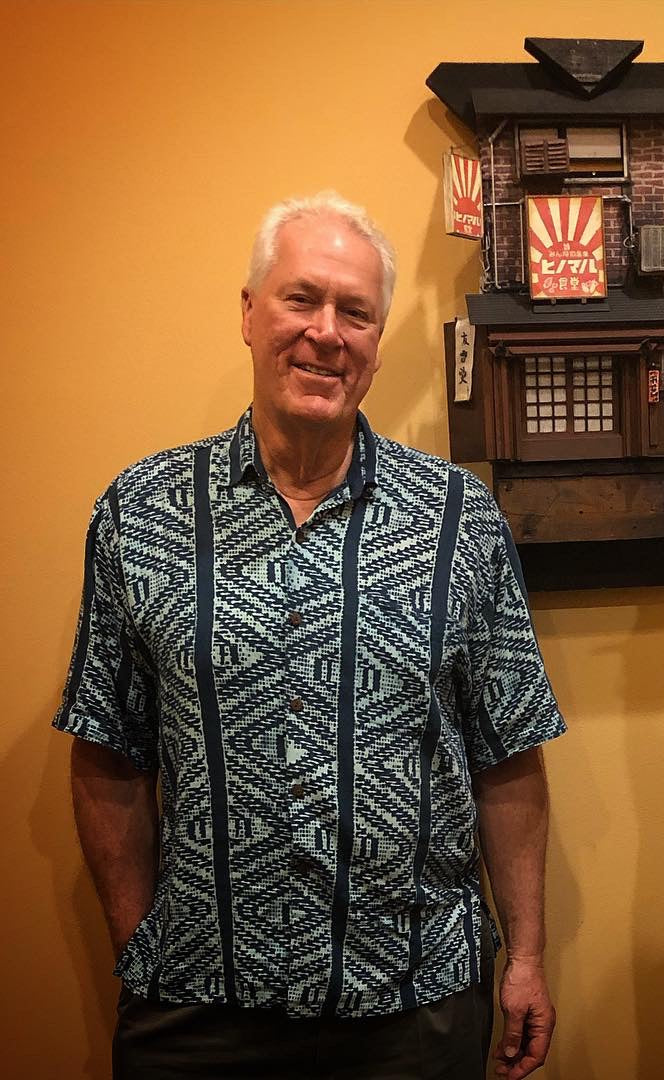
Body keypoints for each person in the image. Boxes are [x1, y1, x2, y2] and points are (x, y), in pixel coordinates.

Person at [54, 191, 565, 1080]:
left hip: (417, 1010)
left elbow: (507, 754)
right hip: (197, 1014)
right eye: (301, 299)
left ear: (375, 346)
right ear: (249, 315)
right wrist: (144, 954)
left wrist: (524, 956)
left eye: (356, 312)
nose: (327, 332)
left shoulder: (457, 519)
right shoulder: (139, 514)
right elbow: (108, 752)